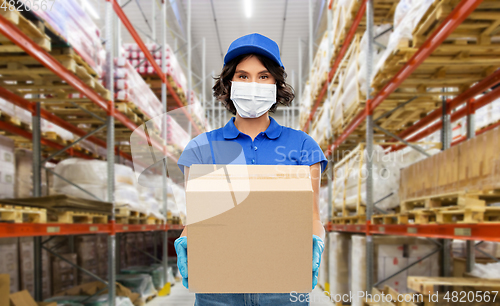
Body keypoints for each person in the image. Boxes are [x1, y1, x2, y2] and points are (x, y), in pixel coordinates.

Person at [174, 33, 327, 306]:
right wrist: (186, 239)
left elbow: (312, 214)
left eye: (263, 76)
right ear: (228, 83)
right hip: (218, 289)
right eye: (243, 76)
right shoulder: (200, 148)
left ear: (276, 83)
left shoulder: (304, 146)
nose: (253, 84)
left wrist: (316, 240)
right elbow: (197, 218)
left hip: (283, 286)